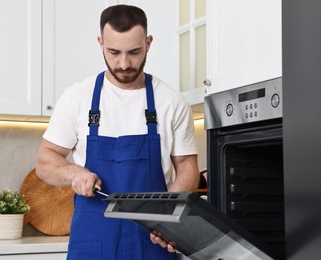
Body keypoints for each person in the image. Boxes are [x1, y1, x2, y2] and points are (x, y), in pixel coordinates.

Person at [36, 4, 200, 260]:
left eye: (134, 52)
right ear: (100, 43)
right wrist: (74, 172)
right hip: (92, 244)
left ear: (148, 42)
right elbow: (45, 162)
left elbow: (188, 168)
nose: (124, 63)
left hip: (151, 244)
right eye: (113, 52)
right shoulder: (76, 98)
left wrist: (169, 218)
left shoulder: (172, 102)